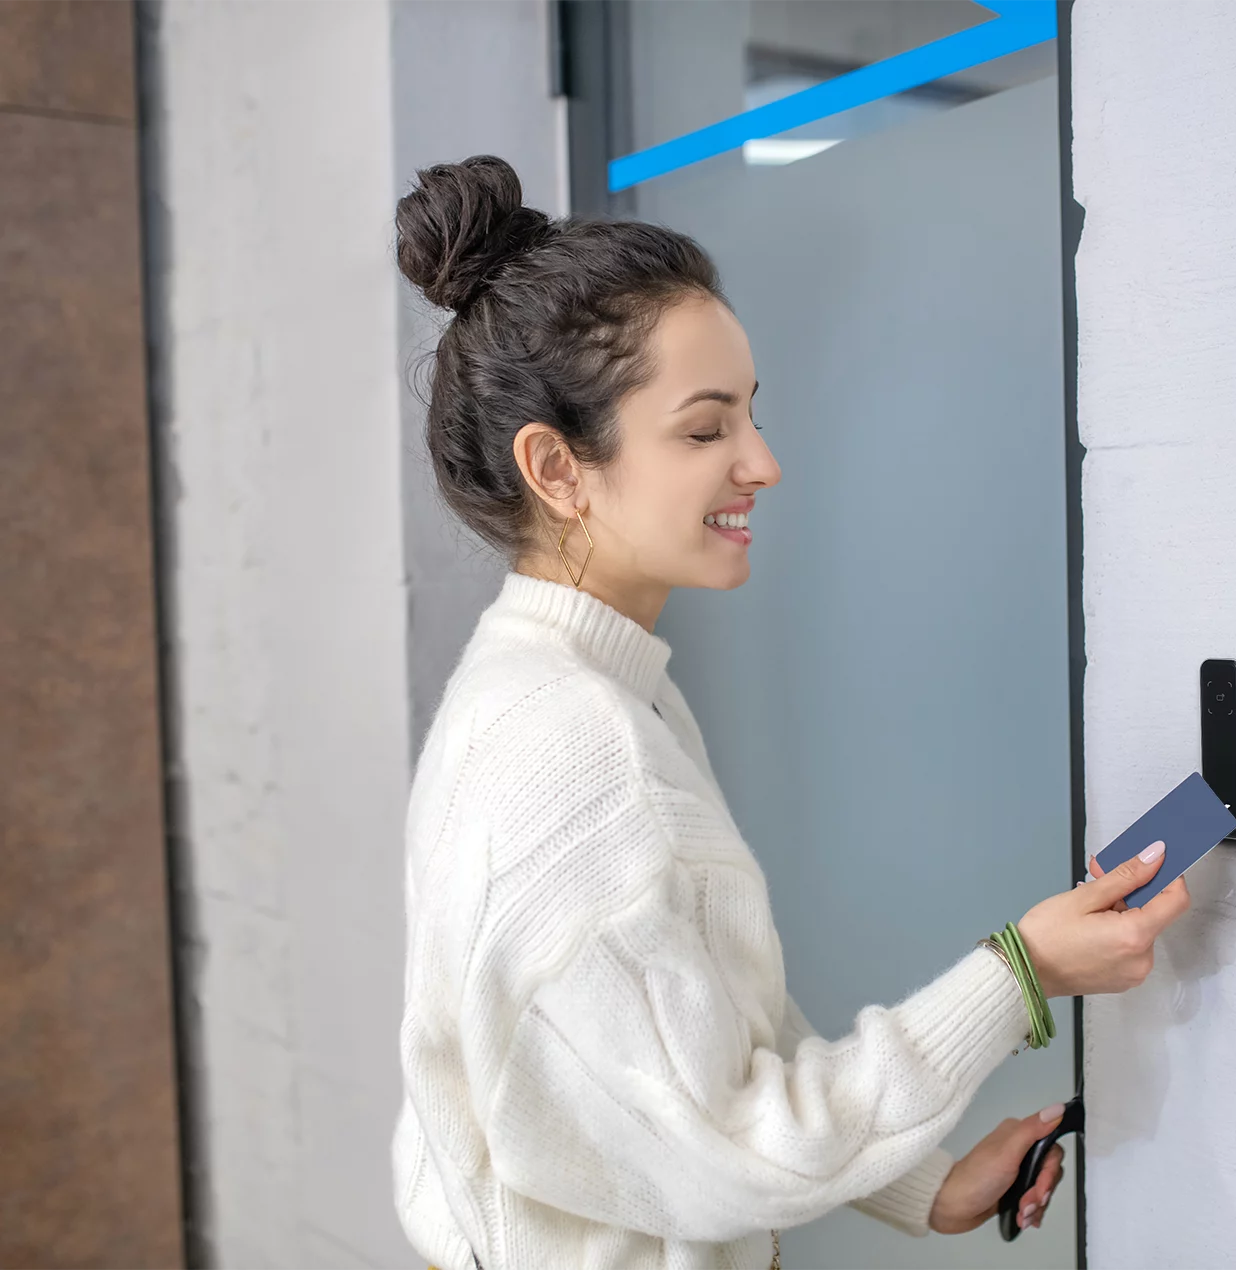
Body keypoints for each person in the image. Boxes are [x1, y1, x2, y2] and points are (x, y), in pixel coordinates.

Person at [390, 155, 1191, 1270]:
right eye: (704, 428)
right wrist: (1018, 973)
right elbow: (717, 1140)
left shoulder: (561, 691)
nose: (760, 463)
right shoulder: (575, 748)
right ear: (557, 469)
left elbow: (696, 1056)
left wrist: (922, 1186)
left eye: (751, 416)